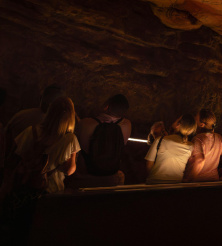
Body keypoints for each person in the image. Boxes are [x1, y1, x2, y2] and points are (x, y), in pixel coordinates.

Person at [1, 96, 79, 244]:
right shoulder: (70, 139)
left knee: (20, 232)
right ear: (70, 116)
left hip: (24, 189)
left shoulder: (31, 131)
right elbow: (69, 170)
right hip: (51, 192)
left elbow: (13, 158)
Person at [75, 94, 131, 185]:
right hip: (111, 174)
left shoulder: (85, 123)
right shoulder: (127, 125)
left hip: (88, 173)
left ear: (106, 106)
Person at [5, 85, 64, 155]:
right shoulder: (60, 127)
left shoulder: (21, 115)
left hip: (13, 159)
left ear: (41, 98)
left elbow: (5, 135)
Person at [144, 114, 196, 184]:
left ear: (178, 125)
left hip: (155, 183)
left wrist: (151, 178)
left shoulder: (160, 140)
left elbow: (148, 164)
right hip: (176, 184)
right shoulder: (191, 146)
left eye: (177, 120)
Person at [184, 109, 222, 182]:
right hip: (214, 181)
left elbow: (200, 160)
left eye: (196, 118)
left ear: (201, 124)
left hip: (198, 182)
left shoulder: (197, 139)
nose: (194, 120)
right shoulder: (219, 137)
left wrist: (189, 180)